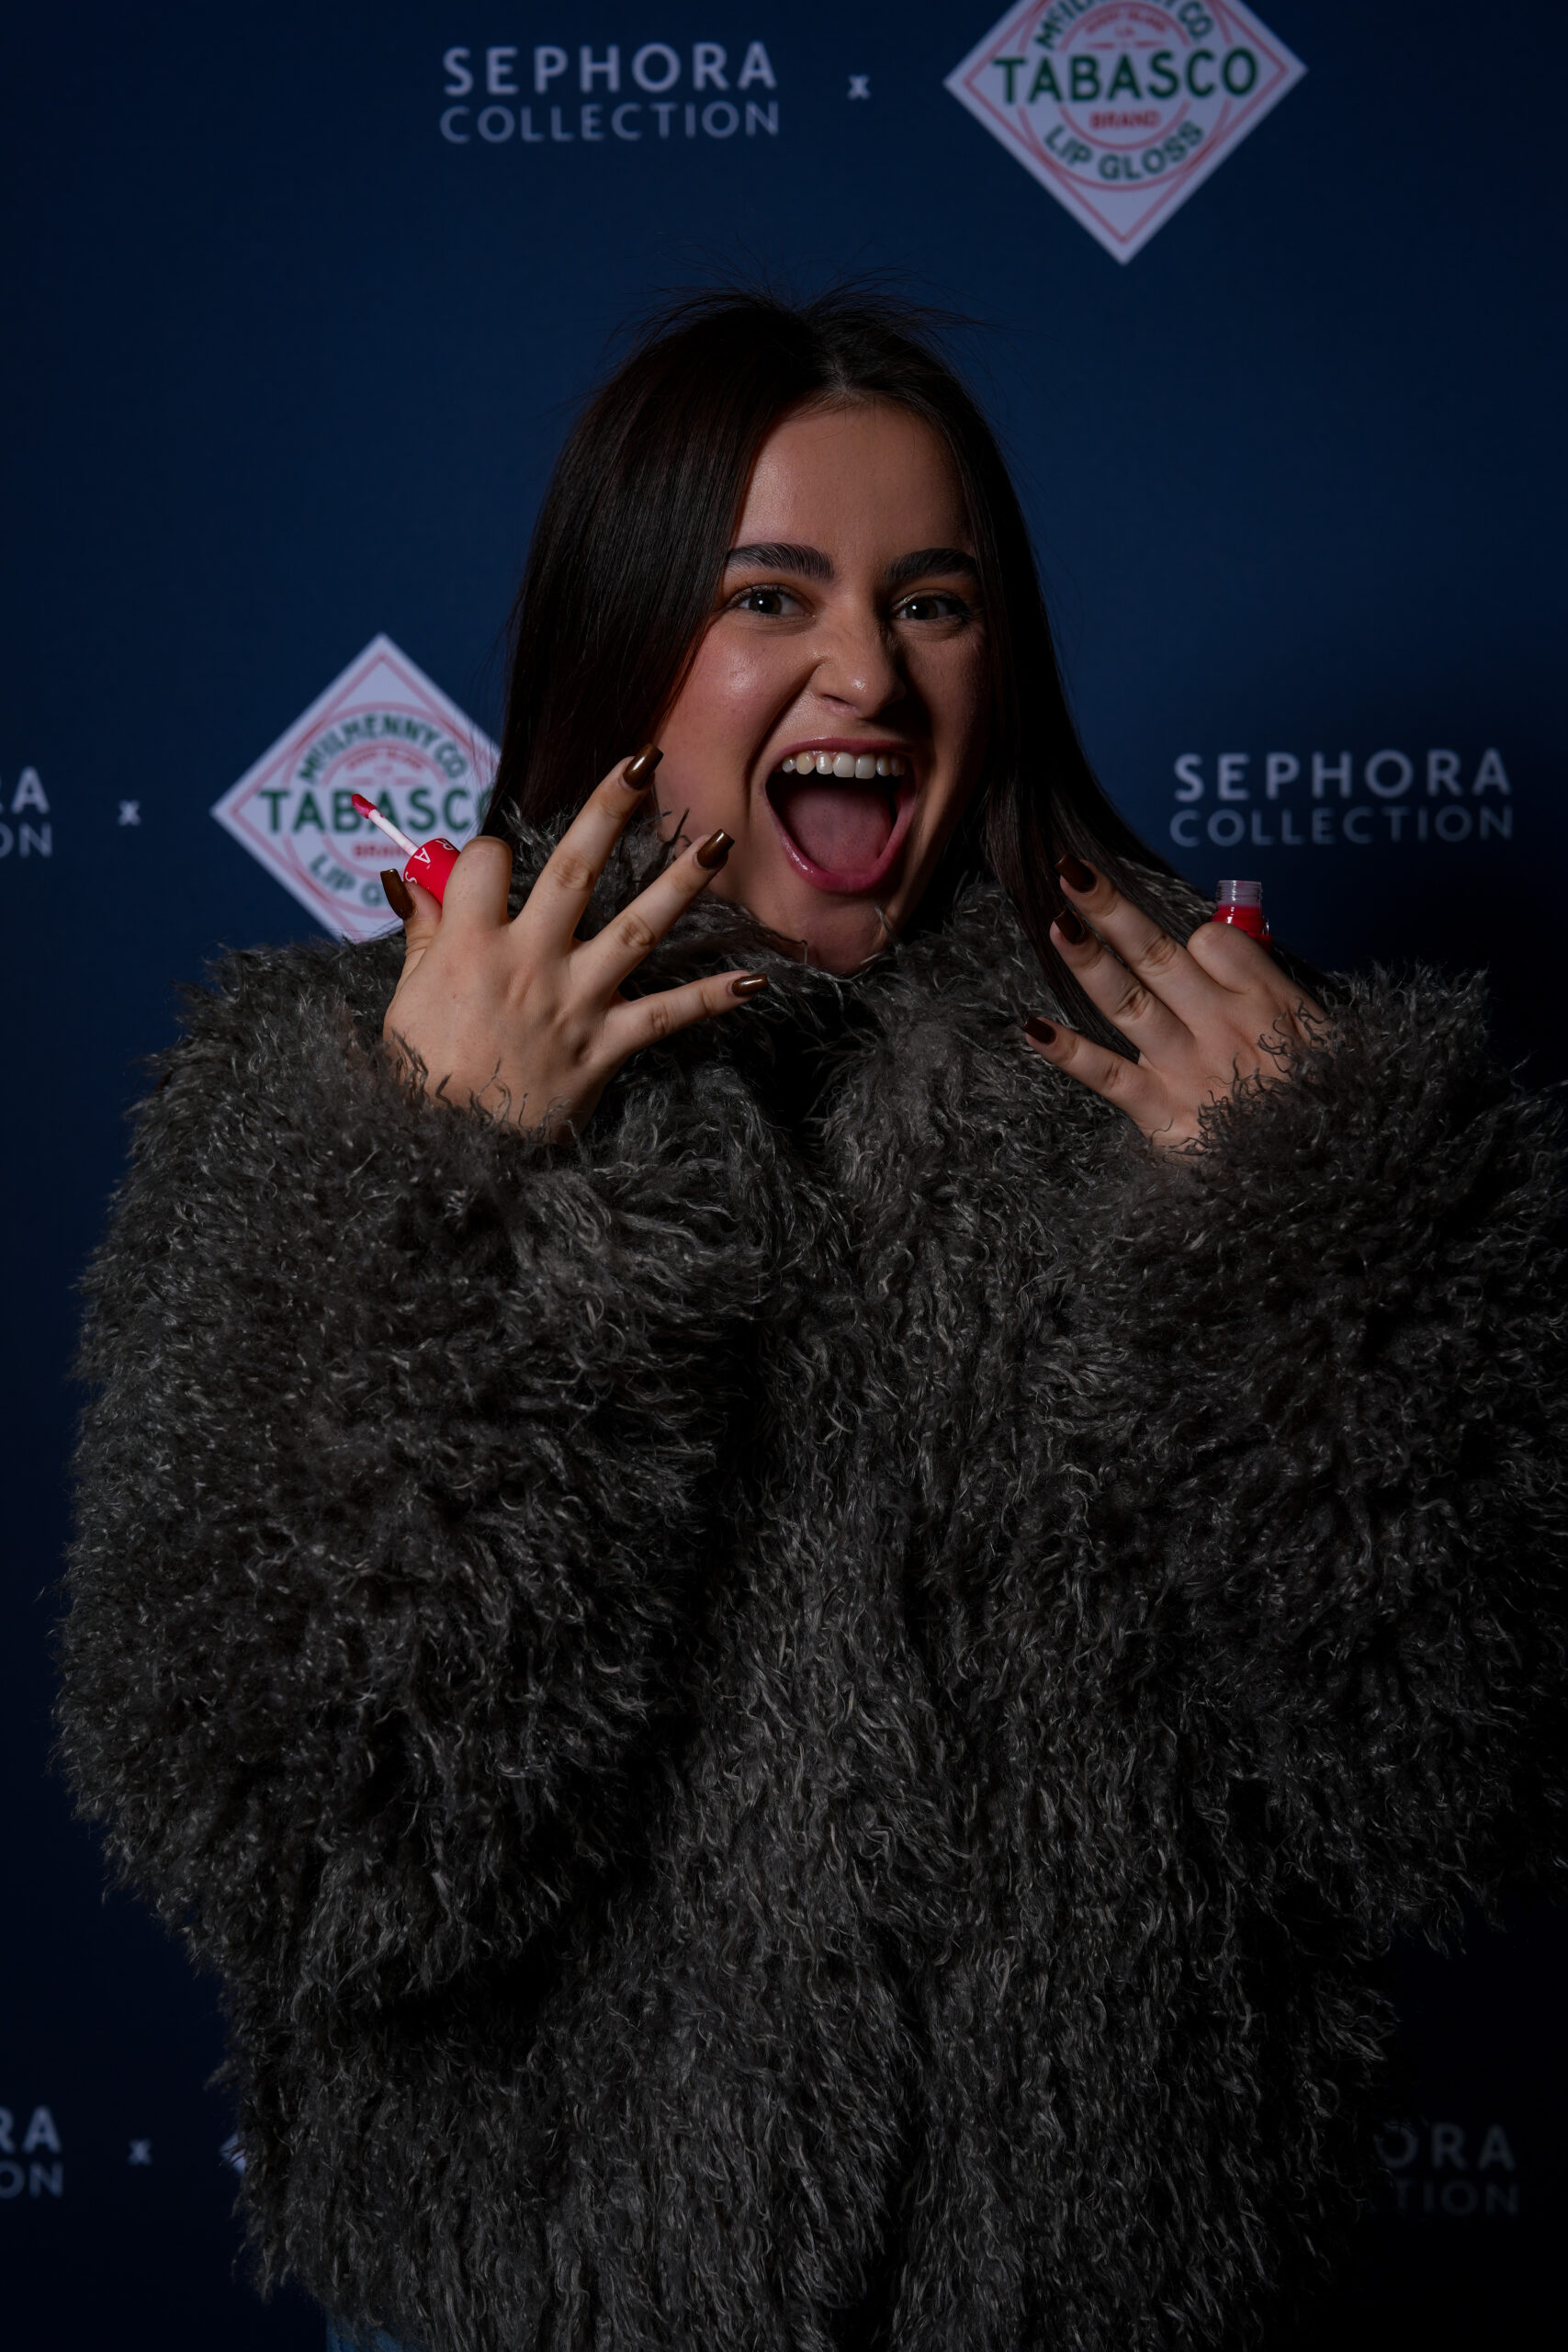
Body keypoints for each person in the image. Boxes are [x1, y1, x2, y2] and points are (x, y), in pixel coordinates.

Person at [60, 290, 1564, 2352]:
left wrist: (1316, 1235)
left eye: (932, 601)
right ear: (627, 641)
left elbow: (1460, 1783)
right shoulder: (334, 1082)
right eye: (769, 595)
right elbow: (300, 1842)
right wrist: (439, 1185)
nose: (868, 668)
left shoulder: (1186, 1087)